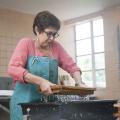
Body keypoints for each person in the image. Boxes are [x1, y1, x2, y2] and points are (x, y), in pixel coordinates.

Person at [8, 11, 85, 120]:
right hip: (23, 105)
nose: (52, 38)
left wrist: (79, 82)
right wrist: (41, 81)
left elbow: (72, 66)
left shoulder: (56, 47)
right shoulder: (26, 44)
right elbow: (13, 69)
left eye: (55, 34)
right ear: (37, 30)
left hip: (48, 106)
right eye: (49, 33)